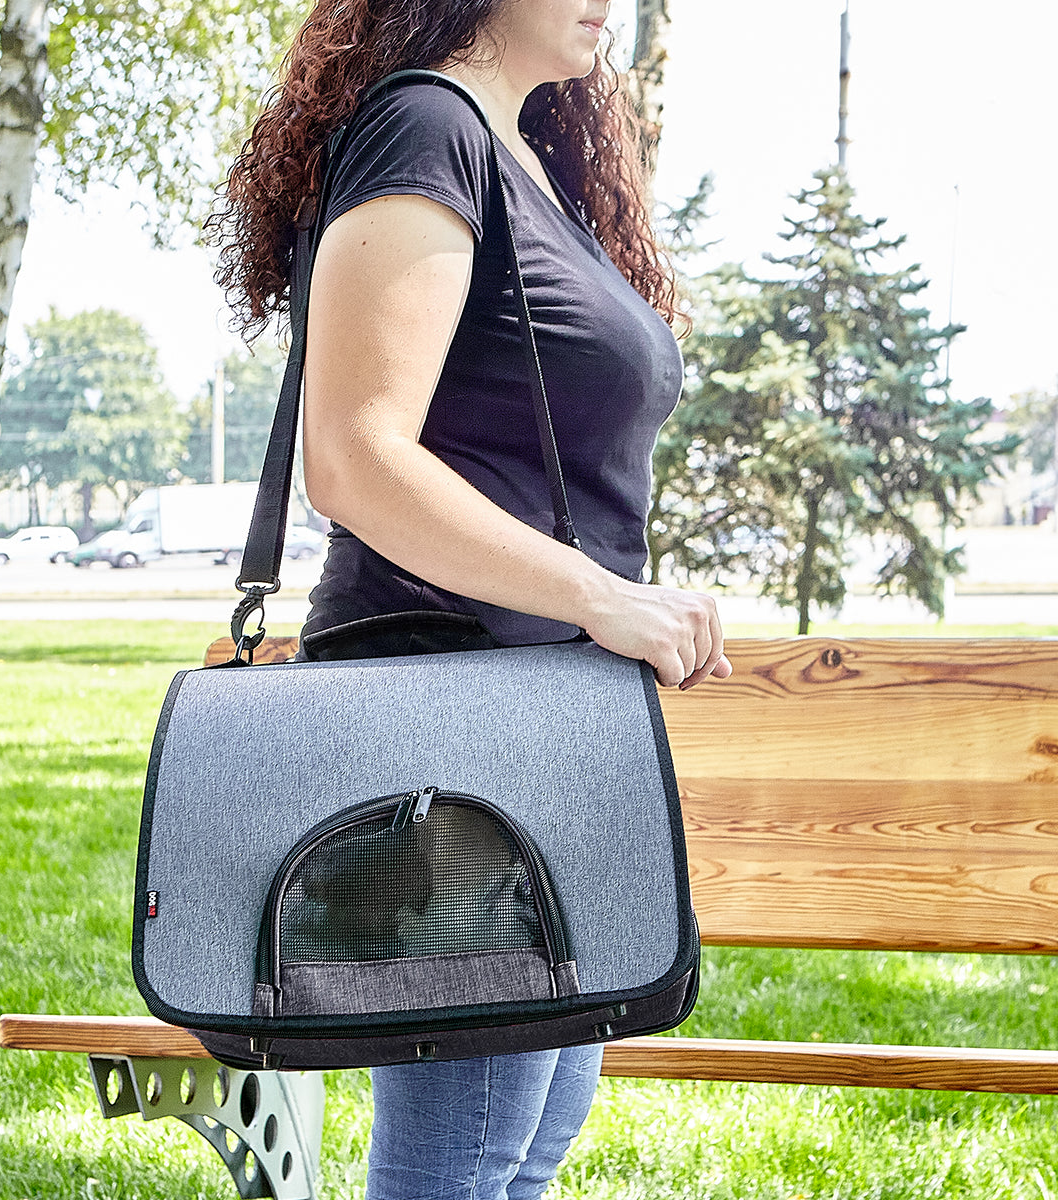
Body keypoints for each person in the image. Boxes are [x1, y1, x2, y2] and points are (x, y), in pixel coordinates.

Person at [209, 0, 732, 1195]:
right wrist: (603, 597)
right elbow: (354, 455)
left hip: (543, 727)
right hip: (455, 738)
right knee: (466, 1162)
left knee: (521, 1153)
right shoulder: (426, 128)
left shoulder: (526, 159)